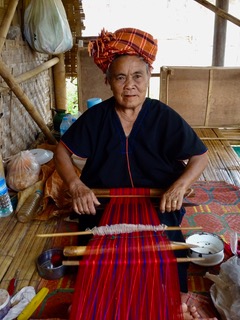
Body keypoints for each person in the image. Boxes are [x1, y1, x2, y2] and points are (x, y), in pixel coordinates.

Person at [54, 28, 214, 319]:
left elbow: (200, 156)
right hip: (103, 203)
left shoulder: (162, 116)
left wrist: (179, 187)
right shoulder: (97, 118)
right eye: (120, 77)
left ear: (148, 78)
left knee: (170, 258)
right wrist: (76, 185)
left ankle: (168, 302)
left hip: (158, 202)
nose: (130, 86)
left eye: (137, 76)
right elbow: (61, 151)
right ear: (108, 82)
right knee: (97, 261)